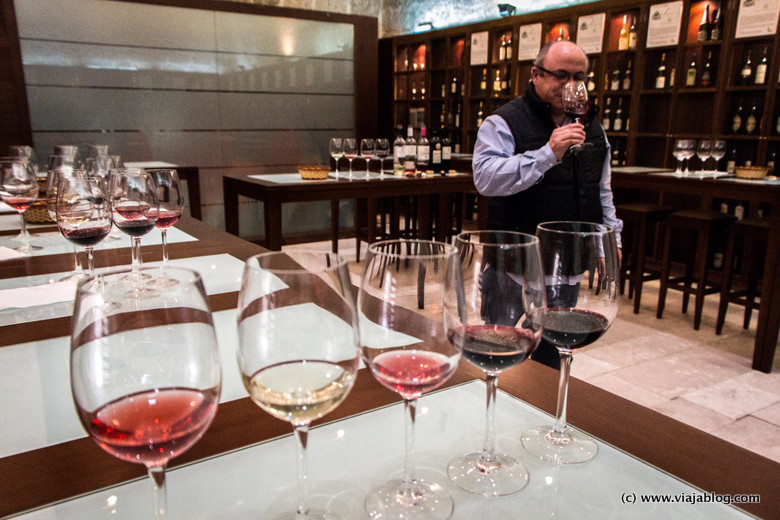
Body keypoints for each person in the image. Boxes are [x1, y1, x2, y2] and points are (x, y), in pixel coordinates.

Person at [472, 40, 623, 368]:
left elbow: (601, 190)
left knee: (551, 347)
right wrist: (546, 155)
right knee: (496, 344)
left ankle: (540, 410)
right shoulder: (503, 122)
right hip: (511, 259)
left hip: (564, 260)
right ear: (536, 75)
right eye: (561, 76)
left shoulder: (593, 127)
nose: (571, 86)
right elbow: (485, 179)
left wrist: (610, 241)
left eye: (579, 77)